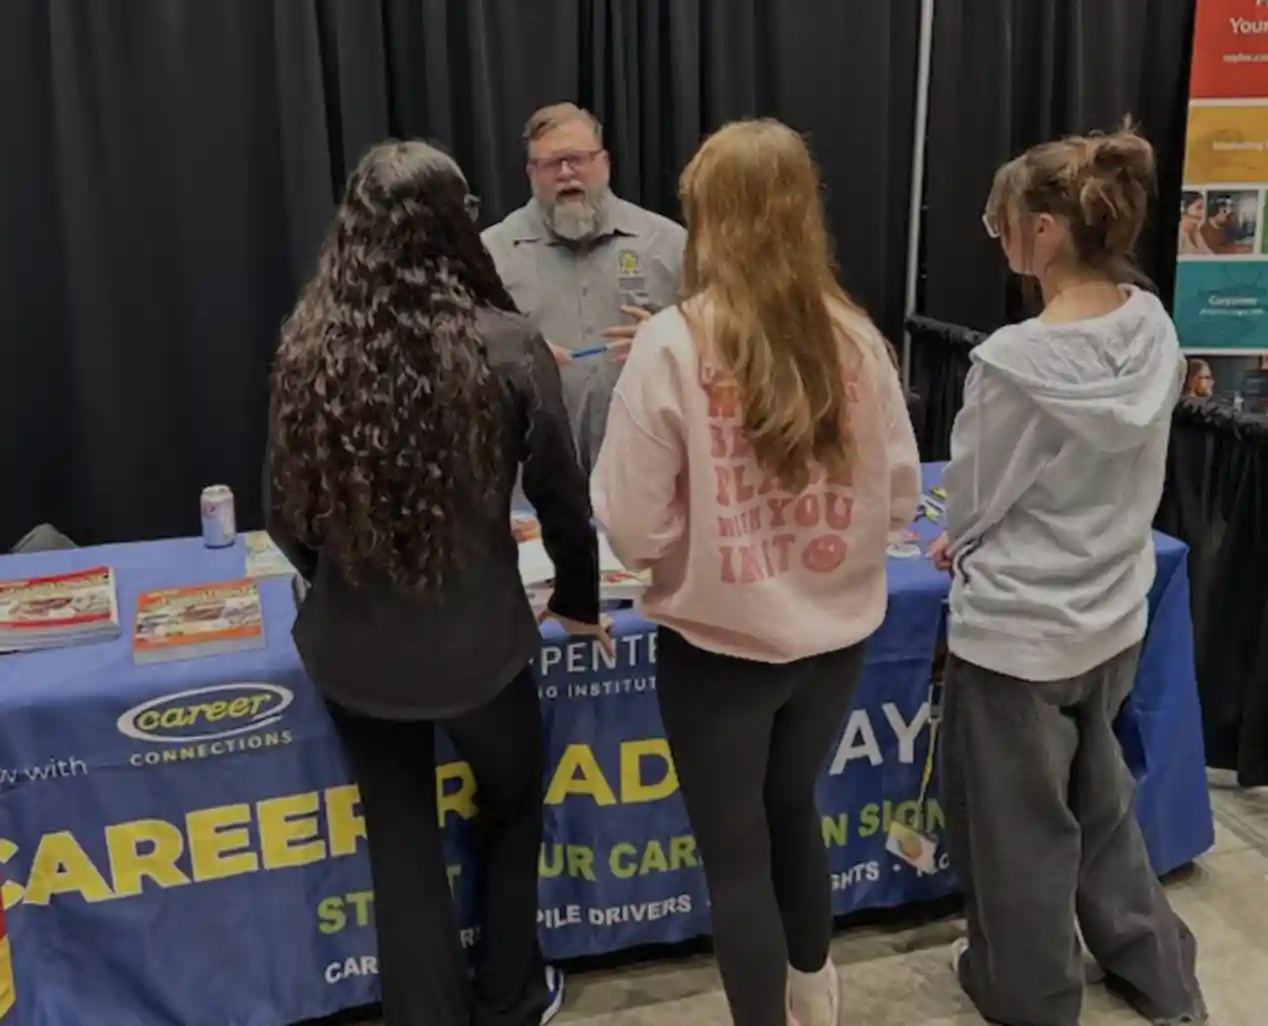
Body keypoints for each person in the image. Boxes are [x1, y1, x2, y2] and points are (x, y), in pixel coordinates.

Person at [265, 140, 607, 1026]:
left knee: (403, 841)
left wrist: (343, 582)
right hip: (478, 650)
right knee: (514, 803)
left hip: (358, 652)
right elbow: (565, 500)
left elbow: (285, 516)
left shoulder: (309, 347)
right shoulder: (509, 345)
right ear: (459, 224)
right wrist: (577, 600)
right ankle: (511, 996)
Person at [590, 119, 921, 1026]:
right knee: (792, 810)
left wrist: (696, 544)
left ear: (708, 218)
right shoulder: (857, 338)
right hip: (833, 645)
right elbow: (899, 498)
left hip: (718, 651)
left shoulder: (671, 343)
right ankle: (815, 996)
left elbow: (632, 525)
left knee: (735, 861)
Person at [928, 124, 1207, 1026]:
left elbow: (975, 492)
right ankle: (1161, 975)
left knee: (1019, 837)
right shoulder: (1150, 324)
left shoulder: (1014, 364)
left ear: (1043, 229)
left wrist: (958, 538)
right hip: (1114, 609)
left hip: (1018, 635)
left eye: (1000, 221)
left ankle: (1030, 997)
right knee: (1103, 808)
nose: (998, 236)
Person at [482, 103, 686, 471]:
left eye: (577, 159)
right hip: (531, 478)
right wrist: (514, 355)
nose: (565, 173)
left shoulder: (670, 245)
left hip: (648, 473)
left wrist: (668, 342)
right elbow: (459, 362)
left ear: (604, 162)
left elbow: (718, 351)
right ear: (531, 173)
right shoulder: (490, 255)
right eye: (550, 164)